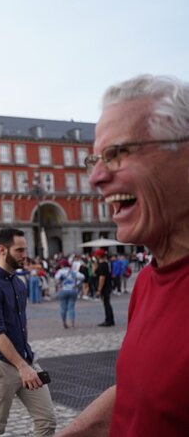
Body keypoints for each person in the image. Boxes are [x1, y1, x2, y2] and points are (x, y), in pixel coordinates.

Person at [57, 75, 189, 436]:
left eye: (118, 154)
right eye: (95, 159)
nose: (96, 178)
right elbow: (142, 392)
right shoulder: (147, 280)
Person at [0, 228, 56, 437]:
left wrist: (26, 363)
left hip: (25, 359)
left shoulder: (19, 284)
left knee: (47, 421)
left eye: (25, 249)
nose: (25, 255)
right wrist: (22, 367)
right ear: (2, 250)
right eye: (19, 250)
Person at [54, 258, 84, 328]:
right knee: (71, 308)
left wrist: (59, 284)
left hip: (63, 290)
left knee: (63, 308)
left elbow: (56, 278)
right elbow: (82, 277)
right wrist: (77, 284)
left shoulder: (60, 272)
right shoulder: (73, 271)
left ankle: (64, 323)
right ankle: (72, 323)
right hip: (73, 290)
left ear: (61, 265)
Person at [93, 249, 114, 327]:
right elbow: (94, 273)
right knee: (107, 303)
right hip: (108, 286)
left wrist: (99, 289)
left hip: (105, 287)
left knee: (106, 303)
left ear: (98, 256)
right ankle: (110, 319)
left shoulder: (102, 265)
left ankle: (108, 320)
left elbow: (102, 278)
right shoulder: (106, 264)